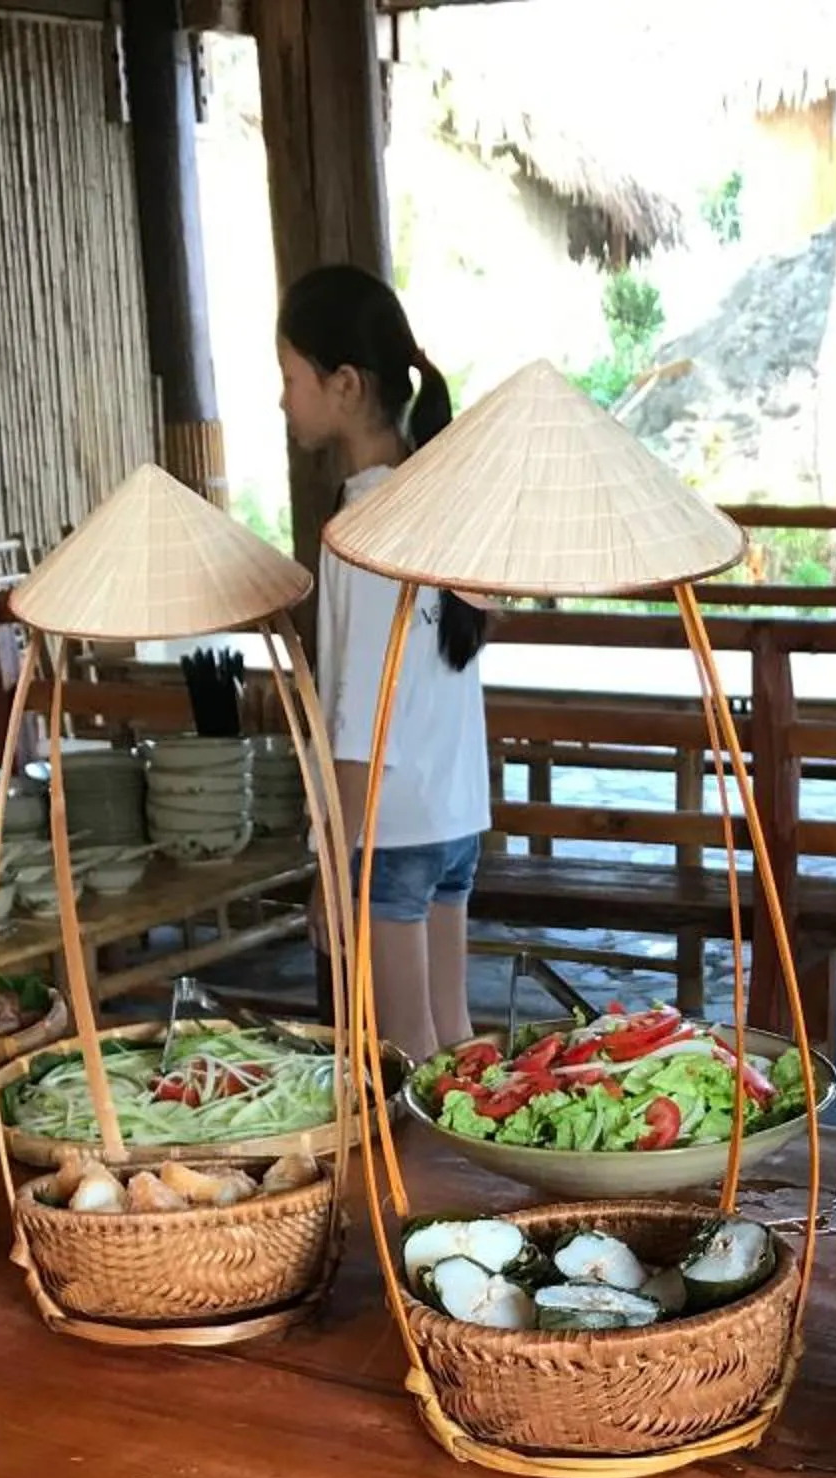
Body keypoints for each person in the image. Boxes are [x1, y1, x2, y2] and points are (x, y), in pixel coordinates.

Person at [279, 264, 487, 1063]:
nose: (284, 398)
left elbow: (360, 720)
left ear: (344, 384)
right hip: (455, 811)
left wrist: (331, 861)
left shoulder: (363, 527)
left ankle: (433, 1192)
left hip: (392, 824)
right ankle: (479, 1184)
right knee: (455, 1044)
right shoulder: (440, 500)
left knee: (404, 1056)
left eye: (290, 377)